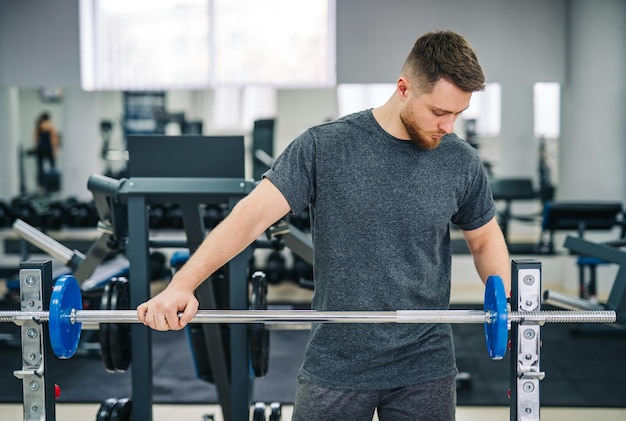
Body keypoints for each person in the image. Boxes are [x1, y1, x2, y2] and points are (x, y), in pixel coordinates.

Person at [138, 30, 511, 421]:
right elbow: (250, 218)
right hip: (337, 361)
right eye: (439, 112)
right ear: (404, 88)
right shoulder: (324, 147)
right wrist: (182, 284)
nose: (449, 126)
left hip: (425, 364)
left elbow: (484, 239)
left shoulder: (460, 161)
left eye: (458, 114)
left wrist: (502, 302)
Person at [33, 112, 60, 191]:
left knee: (40, 169)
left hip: (40, 150)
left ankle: (41, 185)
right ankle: (52, 186)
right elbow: (54, 140)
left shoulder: (38, 126)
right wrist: (55, 151)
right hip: (49, 149)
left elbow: (36, 140)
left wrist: (36, 149)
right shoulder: (51, 126)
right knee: (52, 168)